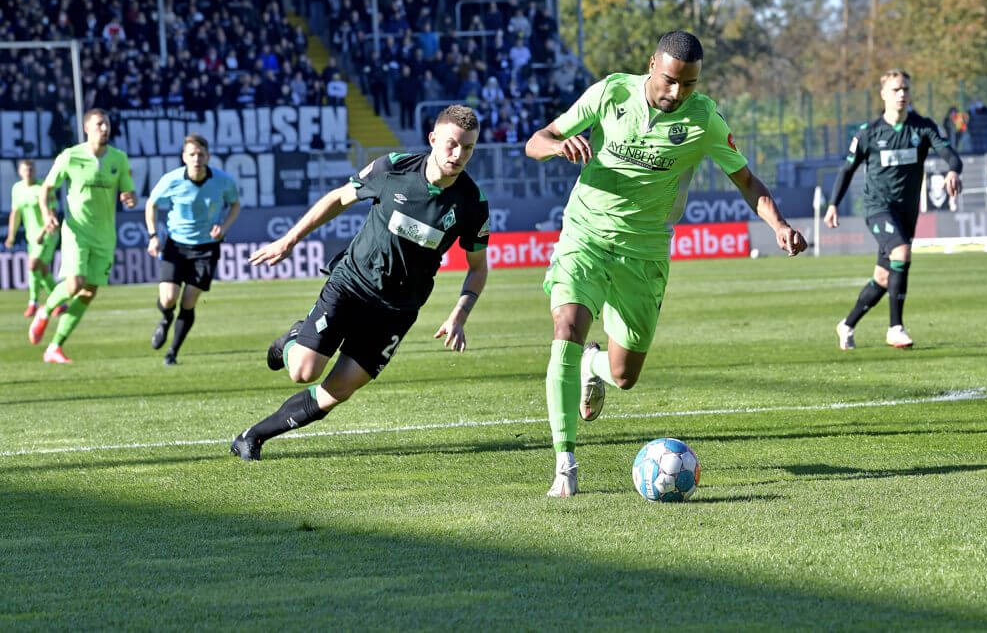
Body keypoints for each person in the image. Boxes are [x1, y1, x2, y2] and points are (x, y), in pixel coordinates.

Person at [524, 30, 808, 497]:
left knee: (623, 376)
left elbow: (747, 181)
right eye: (671, 80)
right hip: (585, 234)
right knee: (566, 328)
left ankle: (592, 367)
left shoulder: (705, 120)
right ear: (652, 63)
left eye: (689, 84)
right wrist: (557, 147)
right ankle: (565, 464)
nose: (678, 93)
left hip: (645, 251)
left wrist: (778, 225)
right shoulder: (611, 92)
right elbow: (539, 139)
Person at [230, 105, 490, 461]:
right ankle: (291, 339)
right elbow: (339, 198)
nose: (459, 154)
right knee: (303, 371)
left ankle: (251, 437)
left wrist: (460, 314)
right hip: (352, 284)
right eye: (452, 144)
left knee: (337, 391)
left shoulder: (473, 203)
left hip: (398, 310)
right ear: (433, 139)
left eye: (469, 147)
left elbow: (477, 268)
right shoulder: (393, 167)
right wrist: (289, 240)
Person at [824, 69, 962, 351]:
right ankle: (895, 328)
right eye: (896, 89)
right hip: (877, 208)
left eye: (906, 90)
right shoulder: (869, 133)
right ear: (884, 94)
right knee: (901, 253)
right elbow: (847, 169)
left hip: (907, 212)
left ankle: (847, 324)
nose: (902, 95)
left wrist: (953, 171)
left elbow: (951, 155)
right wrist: (833, 204)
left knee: (884, 277)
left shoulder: (922, 127)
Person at [28, 109, 136, 363]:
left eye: (107, 124)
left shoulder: (118, 159)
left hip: (105, 236)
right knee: (75, 283)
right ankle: (45, 309)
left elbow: (129, 192)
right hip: (77, 232)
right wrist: (46, 214)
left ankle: (54, 347)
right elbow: (46, 189)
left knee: (88, 292)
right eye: (99, 124)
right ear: (87, 128)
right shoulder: (70, 156)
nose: (104, 129)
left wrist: (129, 198)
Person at [145, 134, 241, 366]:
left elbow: (235, 204)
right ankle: (166, 318)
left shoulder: (223, 181)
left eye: (201, 154)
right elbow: (151, 203)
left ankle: (172, 352)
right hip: (176, 245)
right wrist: (153, 236)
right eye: (192, 154)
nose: (197, 159)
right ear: (184, 157)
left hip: (206, 248)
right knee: (168, 298)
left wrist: (224, 228)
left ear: (208, 156)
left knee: (188, 302)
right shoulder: (172, 180)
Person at [5, 160, 60, 317]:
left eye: (31, 169)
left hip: (48, 233)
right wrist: (11, 235)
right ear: (20, 172)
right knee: (41, 270)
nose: (28, 172)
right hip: (32, 237)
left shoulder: (43, 188)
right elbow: (15, 214)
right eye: (25, 169)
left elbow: (52, 214)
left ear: (34, 170)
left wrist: (43, 233)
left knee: (32, 264)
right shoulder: (17, 189)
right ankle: (58, 302)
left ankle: (33, 303)